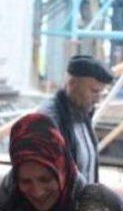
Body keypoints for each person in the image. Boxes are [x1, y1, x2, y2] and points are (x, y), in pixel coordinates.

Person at [40, 54, 113, 184]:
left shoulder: (83, 112)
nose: (98, 99)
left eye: (101, 93)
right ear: (72, 84)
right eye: (94, 91)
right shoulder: (47, 121)